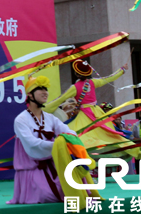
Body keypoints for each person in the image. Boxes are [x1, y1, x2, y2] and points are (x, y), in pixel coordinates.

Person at [7, 74, 98, 206]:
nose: (45, 92)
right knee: (47, 195)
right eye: (40, 89)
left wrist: (72, 140)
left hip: (53, 163)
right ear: (30, 95)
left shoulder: (50, 118)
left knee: (69, 189)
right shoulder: (21, 119)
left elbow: (67, 131)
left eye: (46, 89)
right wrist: (58, 145)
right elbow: (32, 144)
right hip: (34, 167)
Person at [44, 60, 141, 162]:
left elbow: (59, 100)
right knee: (111, 135)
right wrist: (122, 70)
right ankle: (128, 150)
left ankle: (82, 159)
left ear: (76, 73)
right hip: (98, 114)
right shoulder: (93, 82)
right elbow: (109, 78)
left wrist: (43, 108)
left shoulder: (74, 87)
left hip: (84, 115)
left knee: (73, 134)